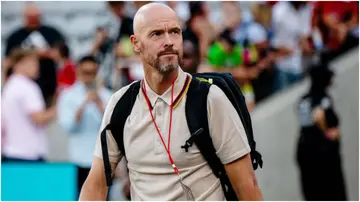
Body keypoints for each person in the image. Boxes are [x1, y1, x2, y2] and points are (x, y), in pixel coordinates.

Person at [79, 3, 262, 201]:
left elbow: (247, 186)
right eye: (156, 34)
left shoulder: (210, 99)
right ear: (135, 43)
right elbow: (96, 184)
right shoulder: (121, 104)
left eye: (175, 32)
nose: (169, 41)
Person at [57, 55, 112, 197]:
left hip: (102, 159)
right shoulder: (68, 95)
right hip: (78, 158)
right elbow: (69, 126)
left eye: (92, 73)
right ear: (78, 72)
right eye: (85, 73)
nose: (89, 77)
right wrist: (84, 104)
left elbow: (112, 127)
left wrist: (99, 104)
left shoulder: (107, 95)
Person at [296, 64, 347, 200]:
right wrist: (326, 132)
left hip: (305, 152)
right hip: (323, 155)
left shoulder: (303, 100)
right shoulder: (323, 98)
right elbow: (318, 115)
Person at [4, 3, 66, 107]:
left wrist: (45, 53)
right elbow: (7, 60)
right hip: (22, 86)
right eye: (30, 17)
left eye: (35, 16)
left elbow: (62, 55)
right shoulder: (15, 36)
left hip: (48, 86)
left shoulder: (51, 33)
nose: (33, 20)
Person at [2, 48, 56, 162]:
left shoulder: (8, 87)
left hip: (10, 152)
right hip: (30, 154)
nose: (37, 67)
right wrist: (58, 109)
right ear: (18, 64)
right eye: (32, 63)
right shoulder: (28, 87)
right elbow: (38, 119)